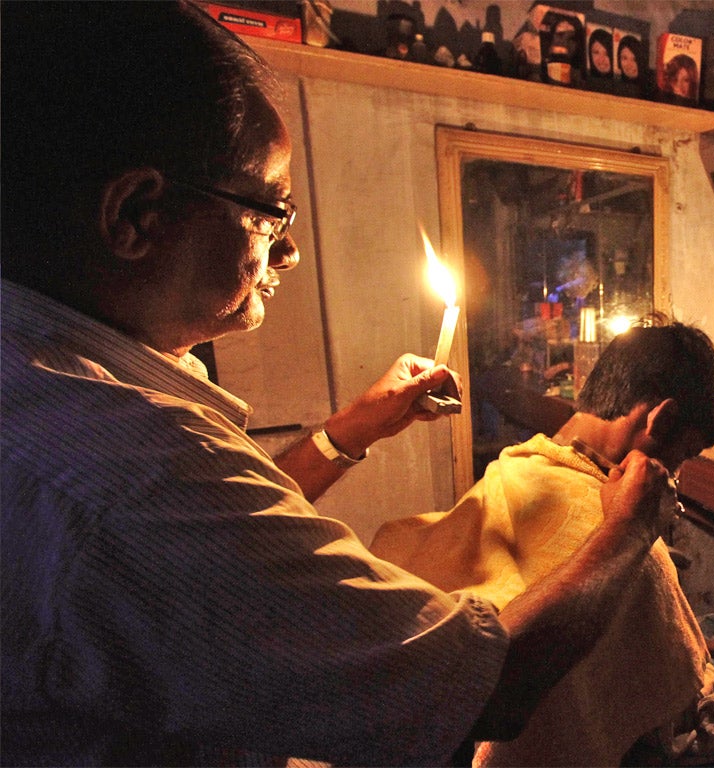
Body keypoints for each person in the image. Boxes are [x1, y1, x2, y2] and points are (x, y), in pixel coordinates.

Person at [0, 3, 676, 765]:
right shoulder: (131, 468)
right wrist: (628, 531)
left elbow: (215, 536)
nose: (286, 253)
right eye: (269, 212)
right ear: (135, 215)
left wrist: (347, 432)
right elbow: (485, 686)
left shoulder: (48, 388)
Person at [371, 319, 714, 765]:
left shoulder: (514, 469)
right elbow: (677, 746)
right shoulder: (628, 543)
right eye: (682, 455)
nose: (677, 474)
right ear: (659, 419)